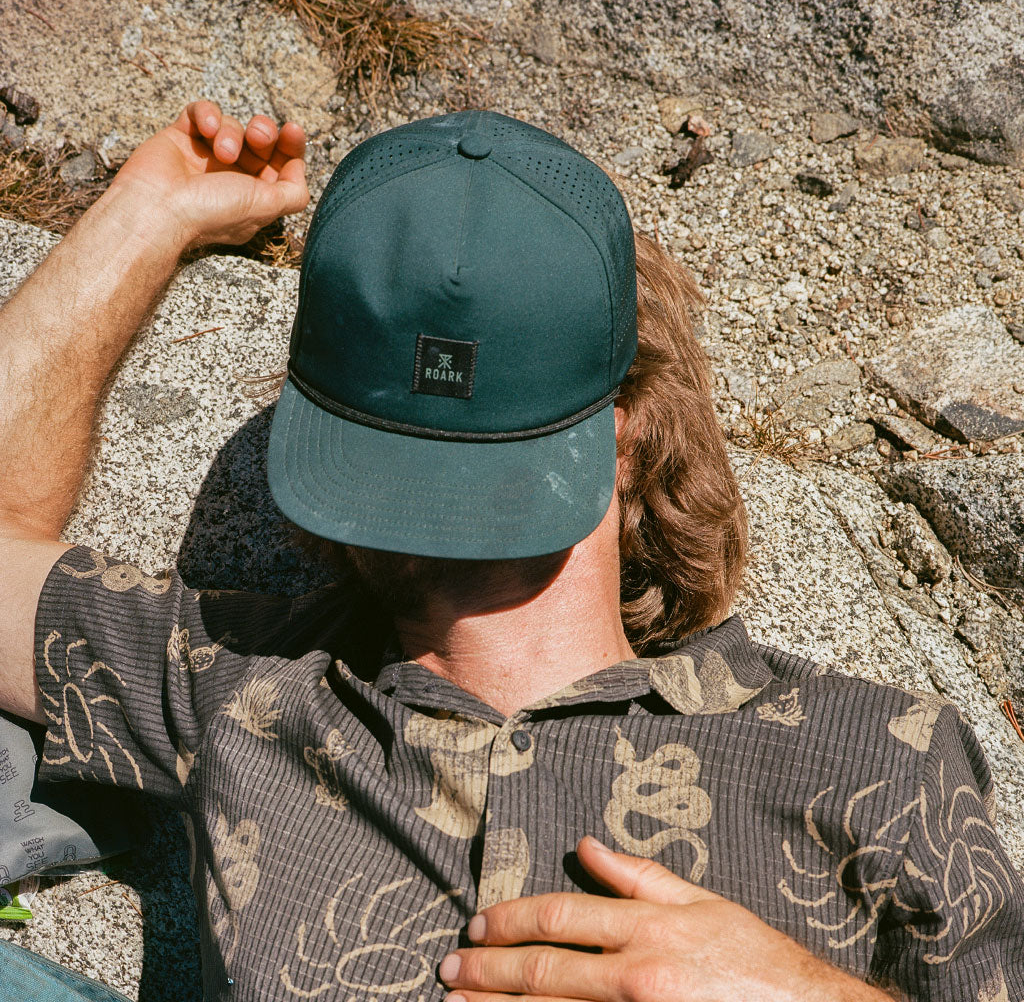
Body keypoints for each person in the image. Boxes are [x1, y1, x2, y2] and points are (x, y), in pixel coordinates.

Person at [0, 100, 1021, 1002]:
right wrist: (147, 215)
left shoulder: (877, 757)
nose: (436, 512)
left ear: (627, 424)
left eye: (492, 455)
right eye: (399, 451)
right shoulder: (242, 683)